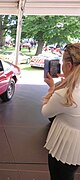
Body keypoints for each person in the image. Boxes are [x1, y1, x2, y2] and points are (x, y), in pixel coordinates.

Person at [41, 43, 80, 180]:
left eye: (62, 61)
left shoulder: (65, 95)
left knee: (58, 175)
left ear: (69, 66)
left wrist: (52, 88)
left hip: (64, 146)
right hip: (77, 148)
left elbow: (46, 112)